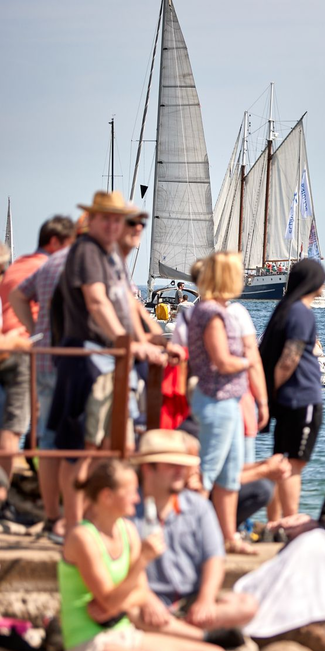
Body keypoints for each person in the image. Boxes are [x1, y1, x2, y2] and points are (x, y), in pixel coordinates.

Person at [49, 191, 165, 533]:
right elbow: (97, 302)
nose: (115, 225)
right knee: (80, 449)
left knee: (111, 445)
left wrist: (147, 336)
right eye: (109, 218)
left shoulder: (111, 256)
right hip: (88, 356)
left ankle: (96, 520)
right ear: (94, 219)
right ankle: (72, 524)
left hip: (110, 359)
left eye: (120, 219)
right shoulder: (86, 251)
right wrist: (127, 343)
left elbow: (125, 301)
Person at [58, 458, 219, 651]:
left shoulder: (128, 530)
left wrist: (117, 604)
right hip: (90, 640)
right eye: (131, 492)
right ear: (107, 496)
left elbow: (140, 593)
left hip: (125, 633)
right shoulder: (82, 538)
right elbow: (109, 601)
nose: (137, 498)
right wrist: (142, 560)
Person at [129, 429, 258, 641]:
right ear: (148, 468)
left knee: (247, 604)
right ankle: (203, 637)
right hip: (146, 601)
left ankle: (176, 630)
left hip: (191, 601)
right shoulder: (128, 509)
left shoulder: (198, 506)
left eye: (183, 465)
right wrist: (147, 601)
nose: (181, 471)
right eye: (172, 465)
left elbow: (214, 558)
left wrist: (206, 600)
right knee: (131, 611)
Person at [10, 215, 86, 542]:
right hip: (60, 361)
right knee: (75, 444)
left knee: (44, 438)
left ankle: (50, 515)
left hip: (37, 357)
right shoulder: (80, 263)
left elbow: (16, 296)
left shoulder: (38, 263)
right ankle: (70, 518)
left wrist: (34, 330)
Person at [186, 252, 254, 555]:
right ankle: (186, 537)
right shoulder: (212, 313)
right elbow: (222, 361)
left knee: (229, 476)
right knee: (207, 474)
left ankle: (228, 537)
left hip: (227, 401)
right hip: (216, 400)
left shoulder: (210, 310)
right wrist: (248, 360)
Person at [0, 216, 74, 480]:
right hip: (26, 348)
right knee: (19, 426)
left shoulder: (16, 265)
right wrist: (35, 332)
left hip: (4, 345)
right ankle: (6, 494)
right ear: (55, 242)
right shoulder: (50, 267)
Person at [259, 259, 325, 521]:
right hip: (301, 397)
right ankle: (288, 522)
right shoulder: (301, 312)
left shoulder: (285, 308)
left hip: (288, 398)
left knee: (281, 463)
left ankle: (274, 523)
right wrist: (274, 388)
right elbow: (289, 359)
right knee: (292, 465)